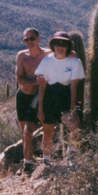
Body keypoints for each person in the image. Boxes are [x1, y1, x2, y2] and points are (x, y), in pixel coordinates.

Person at [35, 31, 85, 165]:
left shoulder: (75, 62)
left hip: (66, 96)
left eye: (64, 44)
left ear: (68, 46)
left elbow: (74, 86)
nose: (60, 47)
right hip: (49, 96)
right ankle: (47, 159)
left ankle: (71, 156)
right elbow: (42, 86)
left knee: (74, 127)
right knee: (48, 129)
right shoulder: (47, 61)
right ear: (53, 45)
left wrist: (73, 110)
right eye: (57, 43)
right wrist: (40, 109)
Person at [15, 27, 49, 174]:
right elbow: (19, 78)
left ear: (38, 38)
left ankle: (28, 164)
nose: (29, 41)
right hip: (22, 95)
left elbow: (66, 55)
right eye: (26, 39)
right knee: (23, 130)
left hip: (36, 96)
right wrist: (36, 81)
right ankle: (27, 160)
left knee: (28, 129)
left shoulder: (47, 54)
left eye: (32, 38)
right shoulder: (22, 56)